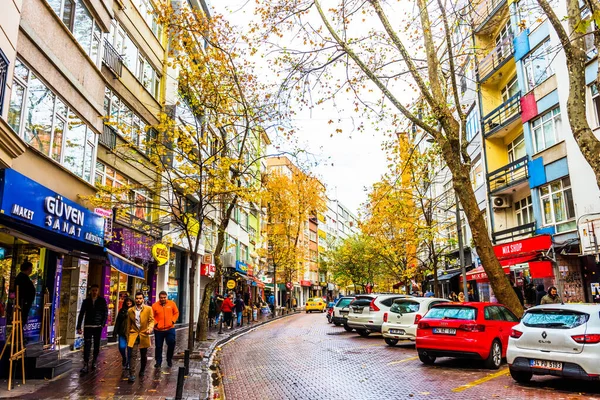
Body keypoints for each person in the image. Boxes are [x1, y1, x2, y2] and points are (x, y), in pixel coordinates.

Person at [76, 284, 108, 374]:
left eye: (96, 290)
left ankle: (94, 360)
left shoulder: (102, 301)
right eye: (93, 290)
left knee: (96, 345)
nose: (94, 292)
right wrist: (79, 326)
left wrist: (102, 324)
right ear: (90, 291)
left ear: (98, 291)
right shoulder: (86, 301)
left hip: (98, 326)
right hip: (88, 326)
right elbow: (81, 313)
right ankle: (85, 363)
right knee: (87, 344)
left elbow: (105, 313)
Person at [126, 292, 154, 382]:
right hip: (134, 334)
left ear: (143, 299)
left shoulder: (148, 309)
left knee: (143, 354)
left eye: (140, 298)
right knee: (132, 355)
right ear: (135, 299)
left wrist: (149, 328)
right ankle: (132, 374)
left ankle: (142, 370)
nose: (138, 300)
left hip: (143, 334)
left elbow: (151, 320)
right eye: (137, 298)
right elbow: (128, 324)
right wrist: (128, 336)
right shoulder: (130, 310)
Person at [152, 291, 179, 369]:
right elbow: (151, 316)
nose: (163, 299)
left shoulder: (172, 304)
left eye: (164, 297)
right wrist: (156, 323)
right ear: (159, 298)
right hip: (158, 330)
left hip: (170, 328)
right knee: (158, 346)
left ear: (166, 297)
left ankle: (169, 359)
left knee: (171, 343)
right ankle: (158, 362)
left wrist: (172, 321)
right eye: (161, 297)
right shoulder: (154, 306)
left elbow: (176, 313)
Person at [113, 297, 133, 369]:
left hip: (131, 333)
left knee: (130, 349)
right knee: (121, 347)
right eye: (127, 301)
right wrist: (115, 332)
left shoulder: (135, 310)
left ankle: (128, 362)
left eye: (130, 301)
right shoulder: (122, 311)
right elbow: (118, 322)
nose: (128, 302)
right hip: (122, 332)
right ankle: (124, 358)